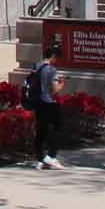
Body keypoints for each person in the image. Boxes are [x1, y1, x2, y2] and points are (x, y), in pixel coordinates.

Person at [31, 38, 64, 169]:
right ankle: (51, 156)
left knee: (40, 130)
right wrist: (61, 83)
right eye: (56, 58)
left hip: (37, 102)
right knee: (57, 128)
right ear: (53, 56)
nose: (56, 61)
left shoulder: (36, 66)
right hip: (49, 102)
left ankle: (40, 159)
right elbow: (54, 89)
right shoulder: (51, 69)